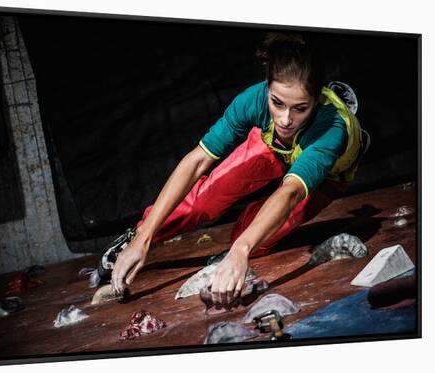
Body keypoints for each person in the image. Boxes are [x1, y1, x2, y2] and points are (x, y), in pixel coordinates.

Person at [98, 33, 363, 307]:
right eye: (277, 103)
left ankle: (350, 123)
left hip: (323, 176)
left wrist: (240, 250)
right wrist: (144, 237)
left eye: (300, 108)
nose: (285, 118)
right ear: (267, 88)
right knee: (205, 200)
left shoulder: (331, 130)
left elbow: (292, 191)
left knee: (252, 239)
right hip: (273, 147)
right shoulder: (253, 100)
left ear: (317, 99)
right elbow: (197, 160)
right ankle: (135, 237)